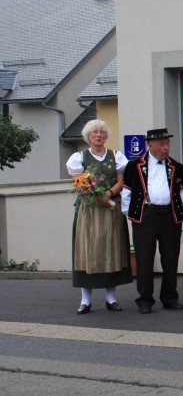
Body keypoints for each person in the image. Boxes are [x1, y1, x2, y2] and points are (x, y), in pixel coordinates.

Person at [66, 119, 133, 314]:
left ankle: (111, 298)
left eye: (101, 132)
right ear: (88, 136)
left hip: (110, 210)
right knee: (87, 252)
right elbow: (78, 183)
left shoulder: (116, 156)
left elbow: (121, 181)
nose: (98, 135)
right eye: (94, 132)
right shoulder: (79, 157)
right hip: (89, 211)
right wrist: (95, 196)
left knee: (111, 251)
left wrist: (109, 194)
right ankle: (85, 300)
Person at [121, 128, 183, 314]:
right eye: (162, 144)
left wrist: (181, 211)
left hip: (170, 216)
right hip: (145, 215)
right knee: (144, 260)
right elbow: (127, 193)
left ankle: (170, 298)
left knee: (170, 259)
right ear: (149, 145)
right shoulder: (134, 166)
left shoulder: (177, 167)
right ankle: (144, 300)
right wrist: (133, 214)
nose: (166, 148)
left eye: (168, 144)